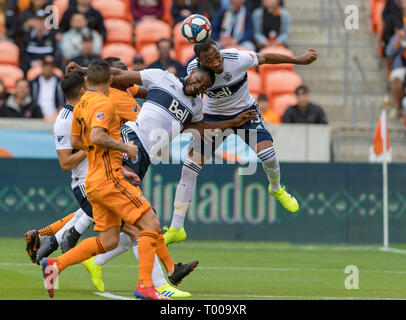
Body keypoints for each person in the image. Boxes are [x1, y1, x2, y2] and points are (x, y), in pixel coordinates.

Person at [40, 59, 198, 300]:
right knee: (150, 224)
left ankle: (56, 265)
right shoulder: (104, 104)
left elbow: (76, 142)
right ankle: (146, 286)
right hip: (108, 180)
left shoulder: (81, 106)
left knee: (108, 240)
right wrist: (124, 147)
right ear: (111, 80)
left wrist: (112, 160)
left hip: (93, 179)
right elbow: (96, 136)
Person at [163, 39, 317, 245]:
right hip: (213, 117)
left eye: (217, 55)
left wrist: (298, 60)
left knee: (267, 155)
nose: (217, 61)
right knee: (189, 168)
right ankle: (176, 227)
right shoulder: (193, 70)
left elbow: (266, 57)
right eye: (211, 60)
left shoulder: (235, 58)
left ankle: (276, 188)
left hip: (246, 112)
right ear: (200, 61)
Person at [29, 56, 64, 121]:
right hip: (37, 115)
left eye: (51, 66)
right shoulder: (33, 83)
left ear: (54, 68)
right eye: (46, 66)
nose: (48, 68)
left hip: (56, 115)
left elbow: (63, 100)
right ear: (42, 67)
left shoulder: (60, 83)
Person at [386, 26, 406, 118]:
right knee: (396, 79)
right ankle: (397, 108)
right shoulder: (398, 36)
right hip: (400, 66)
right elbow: (389, 52)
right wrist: (399, 39)